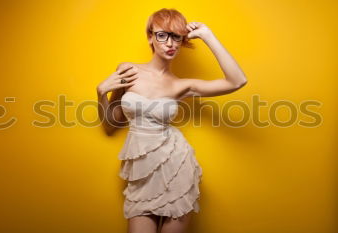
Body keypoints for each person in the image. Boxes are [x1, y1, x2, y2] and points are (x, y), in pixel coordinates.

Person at [96, 8, 247, 233]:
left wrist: (208, 35)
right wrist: (101, 94)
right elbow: (110, 125)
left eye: (177, 36)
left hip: (176, 167)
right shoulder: (128, 71)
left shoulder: (181, 85)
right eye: (162, 35)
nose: (170, 43)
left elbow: (237, 81)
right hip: (141, 173)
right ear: (150, 37)